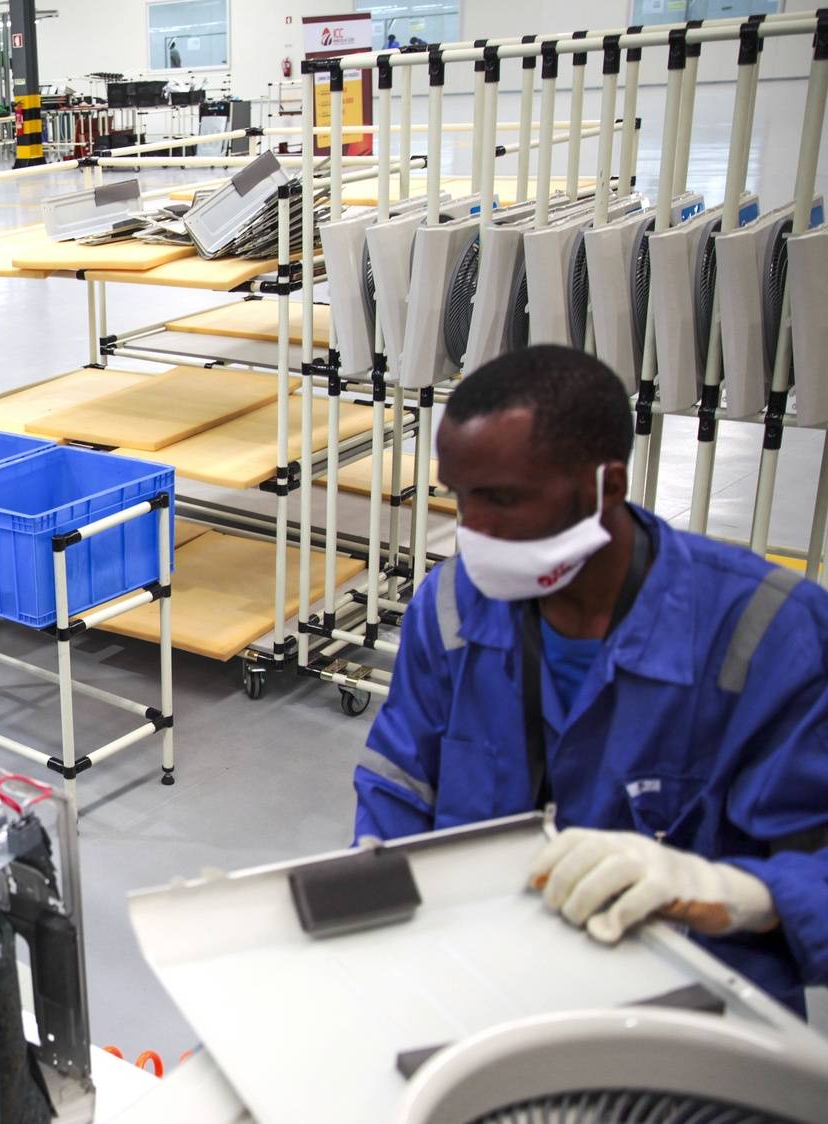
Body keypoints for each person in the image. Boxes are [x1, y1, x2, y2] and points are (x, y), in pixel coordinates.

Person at [354, 345, 828, 1015]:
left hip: (689, 1017)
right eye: (460, 499)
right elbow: (395, 791)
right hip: (482, 989)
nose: (475, 531)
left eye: (504, 499)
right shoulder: (449, 608)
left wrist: (736, 893)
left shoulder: (768, 633)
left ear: (608, 487)